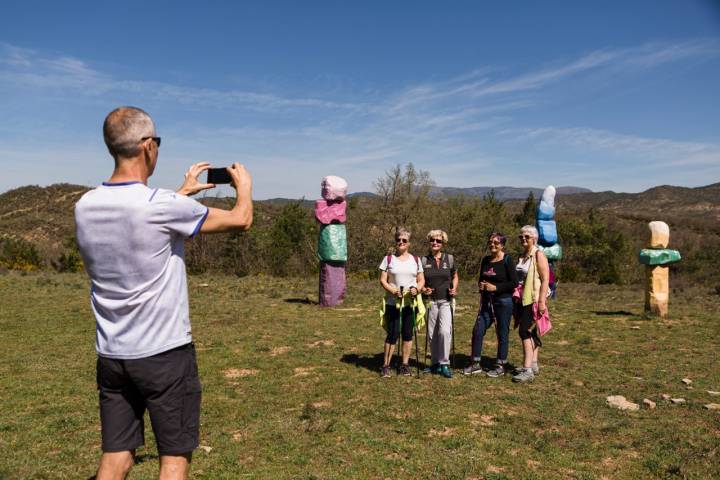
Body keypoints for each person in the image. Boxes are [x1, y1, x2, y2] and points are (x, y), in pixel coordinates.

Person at [75, 106, 253, 480]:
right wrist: (244, 188)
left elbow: (137, 216)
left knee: (115, 459)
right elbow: (241, 220)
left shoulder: (85, 206)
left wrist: (182, 193)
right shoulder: (162, 206)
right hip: (164, 356)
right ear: (148, 146)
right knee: (173, 460)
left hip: (112, 355)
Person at [463, 232, 518, 378]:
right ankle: (475, 363)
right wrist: (481, 285)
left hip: (503, 302)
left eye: (496, 242)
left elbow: (514, 283)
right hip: (487, 301)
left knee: (502, 332)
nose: (492, 244)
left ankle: (500, 365)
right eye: (491, 242)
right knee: (478, 330)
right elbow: (481, 277)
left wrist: (496, 288)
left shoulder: (507, 260)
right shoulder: (486, 260)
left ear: (502, 245)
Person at [379, 228, 425, 377]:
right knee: (392, 334)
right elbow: (382, 280)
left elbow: (421, 280)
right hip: (394, 303)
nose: (401, 242)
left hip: (410, 304)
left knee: (407, 334)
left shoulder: (415, 260)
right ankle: (386, 365)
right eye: (398, 240)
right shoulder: (388, 259)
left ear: (409, 243)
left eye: (404, 240)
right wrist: (393, 291)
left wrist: (416, 290)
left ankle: (404, 364)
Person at [512, 225, 550, 383]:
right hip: (522, 298)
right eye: (521, 236)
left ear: (534, 238)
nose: (523, 239)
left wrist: (542, 301)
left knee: (524, 331)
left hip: (533, 299)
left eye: (527, 236)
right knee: (532, 331)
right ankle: (533, 364)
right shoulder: (523, 256)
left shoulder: (538, 255)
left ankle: (527, 370)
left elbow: (545, 279)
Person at [420, 230, 458, 378]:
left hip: (446, 301)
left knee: (444, 332)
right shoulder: (423, 261)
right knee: (432, 334)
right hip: (431, 302)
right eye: (433, 240)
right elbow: (420, 280)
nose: (435, 243)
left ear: (443, 243)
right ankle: (434, 363)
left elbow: (455, 276)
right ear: (429, 241)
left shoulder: (449, 259)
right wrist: (423, 289)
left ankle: (444, 363)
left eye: (438, 241)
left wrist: (454, 288)